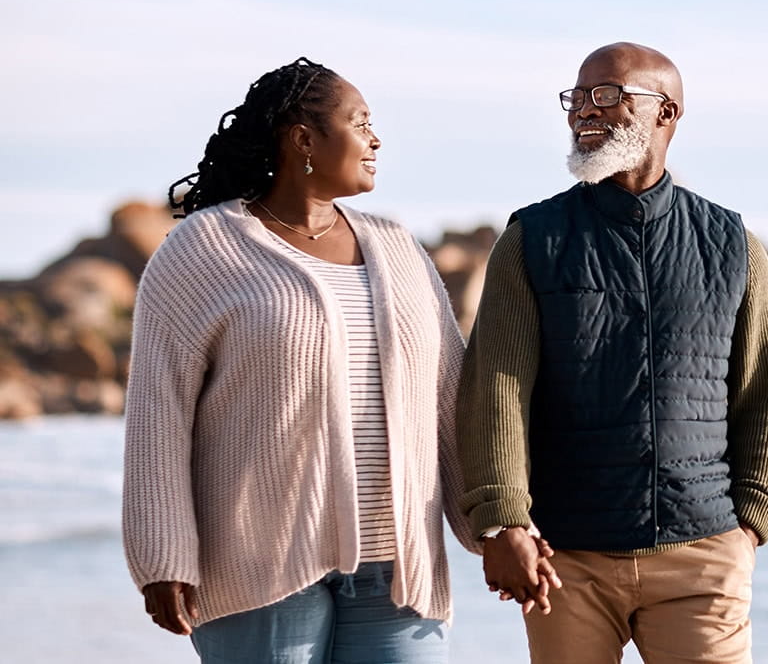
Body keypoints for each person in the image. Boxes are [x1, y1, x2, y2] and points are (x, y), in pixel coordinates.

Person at [121, 57, 551, 662]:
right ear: (304, 139)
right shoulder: (202, 249)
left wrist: (501, 526)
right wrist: (162, 553)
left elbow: (452, 399)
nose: (376, 138)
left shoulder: (398, 246)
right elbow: (156, 414)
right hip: (257, 571)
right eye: (360, 122)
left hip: (400, 574)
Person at [456, 42, 768, 664]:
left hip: (703, 556)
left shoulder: (734, 247)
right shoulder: (531, 240)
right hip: (566, 561)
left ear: (667, 112)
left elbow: (761, 395)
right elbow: (497, 389)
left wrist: (751, 522)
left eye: (607, 96)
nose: (585, 110)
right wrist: (502, 521)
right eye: (577, 98)